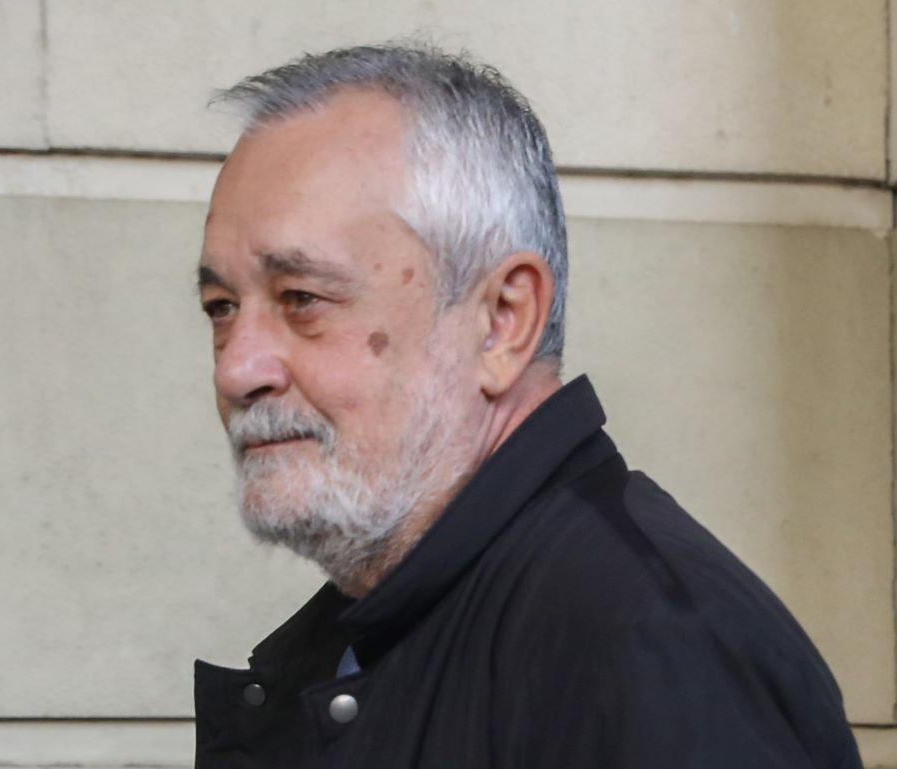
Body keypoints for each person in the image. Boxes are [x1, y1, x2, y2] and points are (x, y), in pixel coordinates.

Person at [193, 42, 862, 769]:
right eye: (221, 307)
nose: (237, 368)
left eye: (302, 299)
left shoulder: (652, 643)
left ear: (503, 320)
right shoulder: (393, 636)